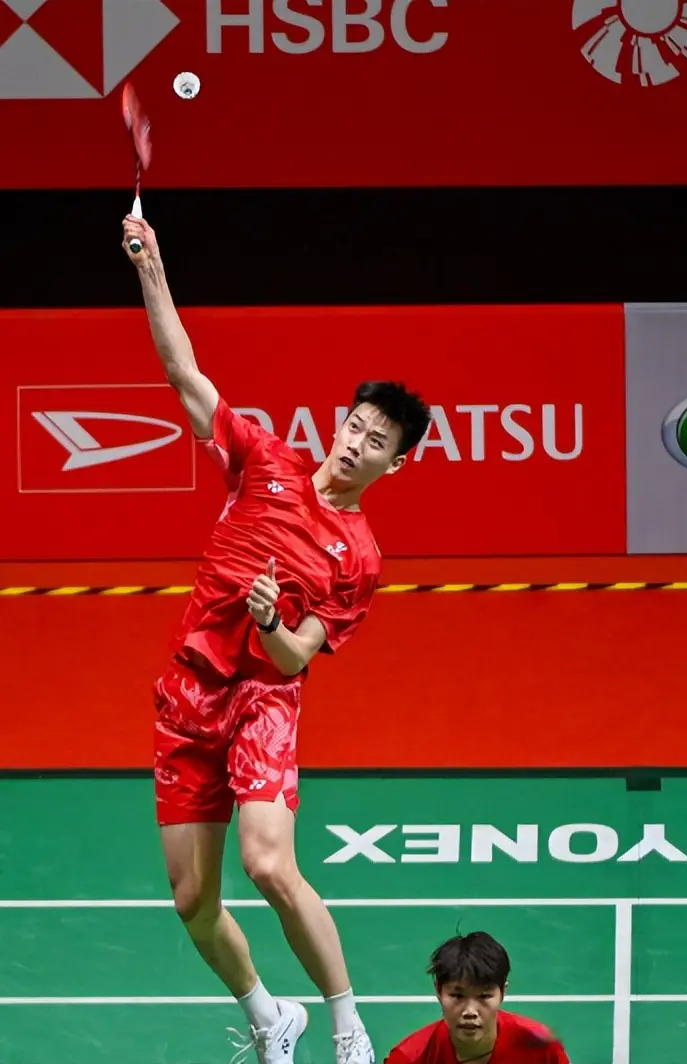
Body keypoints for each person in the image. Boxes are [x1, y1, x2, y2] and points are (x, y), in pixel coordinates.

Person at [122, 213, 431, 1064]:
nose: (358, 443)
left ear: (396, 463)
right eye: (356, 425)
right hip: (189, 691)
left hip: (264, 697)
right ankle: (269, 1015)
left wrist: (269, 622)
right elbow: (183, 373)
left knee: (268, 865)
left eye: (378, 442)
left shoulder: (359, 556)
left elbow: (297, 657)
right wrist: (151, 267)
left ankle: (346, 1025)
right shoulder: (263, 459)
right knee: (192, 900)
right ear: (342, 422)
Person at [385, 933, 570, 1064]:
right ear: (438, 991)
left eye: (484, 996)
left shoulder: (542, 1050)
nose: (470, 1012)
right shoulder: (408, 1059)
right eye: (457, 996)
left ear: (503, 992)